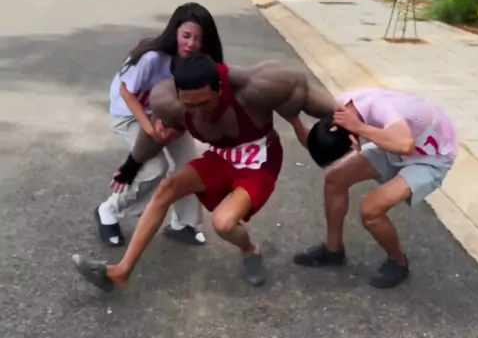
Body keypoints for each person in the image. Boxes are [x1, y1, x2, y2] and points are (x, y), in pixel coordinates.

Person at [72, 54, 337, 292]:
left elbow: (305, 93)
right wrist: (130, 168)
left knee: (223, 223)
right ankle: (121, 272)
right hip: (220, 158)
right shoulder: (171, 104)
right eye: (190, 105)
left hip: (259, 162)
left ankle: (249, 249)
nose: (198, 111)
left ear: (219, 89)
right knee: (167, 189)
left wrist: (351, 123)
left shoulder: (254, 89)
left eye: (205, 103)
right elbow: (151, 139)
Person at [291, 87, 458, 289]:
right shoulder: (342, 108)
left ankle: (398, 261)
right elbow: (317, 142)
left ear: (353, 141)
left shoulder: (382, 109)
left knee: (370, 210)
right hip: (394, 143)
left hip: (430, 155)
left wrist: (359, 128)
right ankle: (333, 250)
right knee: (334, 179)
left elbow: (405, 144)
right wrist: (293, 119)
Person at [96, 2, 224, 249]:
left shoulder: (199, 64)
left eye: (198, 38)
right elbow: (126, 92)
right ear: (175, 32)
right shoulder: (152, 58)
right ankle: (108, 210)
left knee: (191, 164)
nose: (190, 44)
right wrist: (150, 131)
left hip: (166, 115)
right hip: (131, 114)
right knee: (156, 167)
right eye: (186, 35)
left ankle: (184, 224)